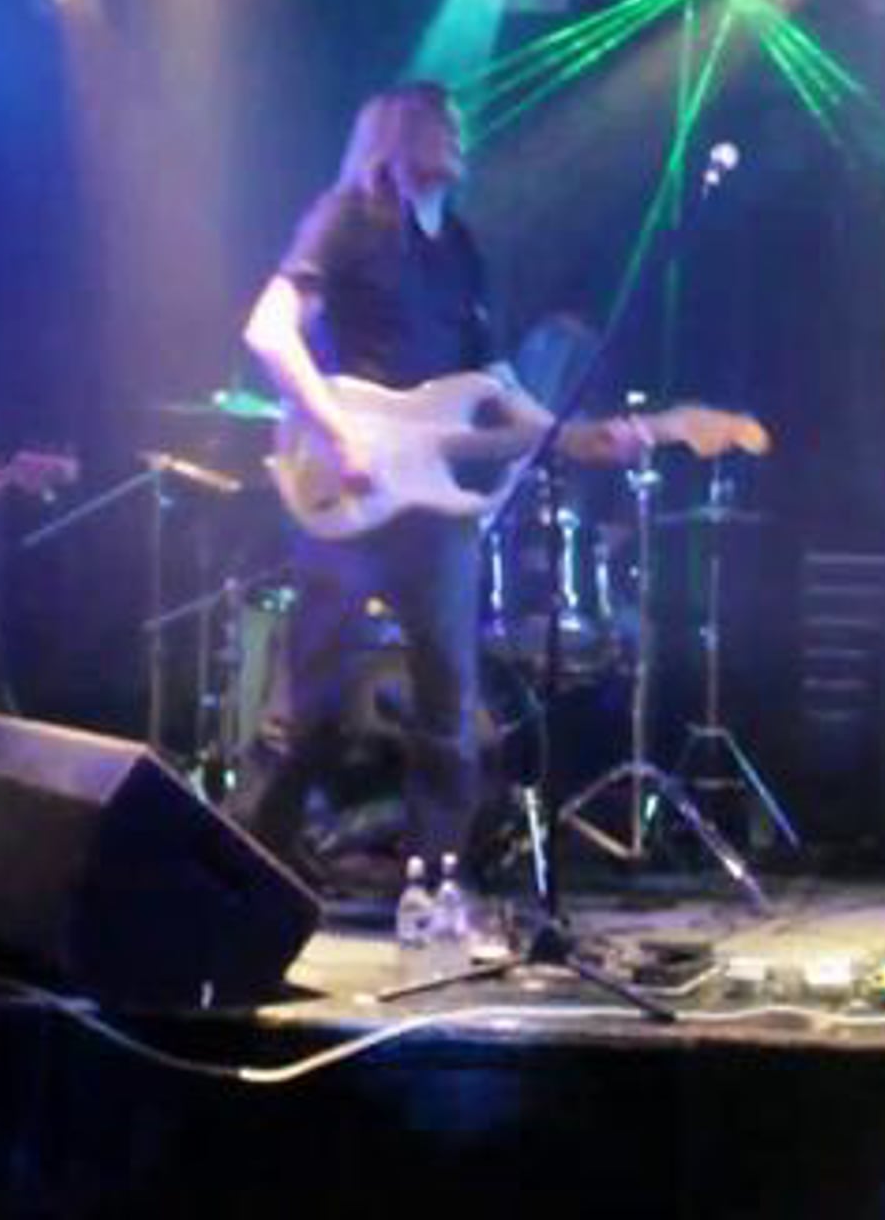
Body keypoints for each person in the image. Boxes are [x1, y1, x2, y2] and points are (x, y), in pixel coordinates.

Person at [232, 82, 644, 897]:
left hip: (436, 507)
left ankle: (435, 885)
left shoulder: (461, 247)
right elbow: (268, 331)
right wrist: (336, 433)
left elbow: (493, 384)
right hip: (347, 492)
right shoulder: (347, 218)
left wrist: (573, 435)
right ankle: (245, 868)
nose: (459, 133)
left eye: (459, 123)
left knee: (449, 707)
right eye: (441, 122)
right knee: (309, 702)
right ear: (398, 133)